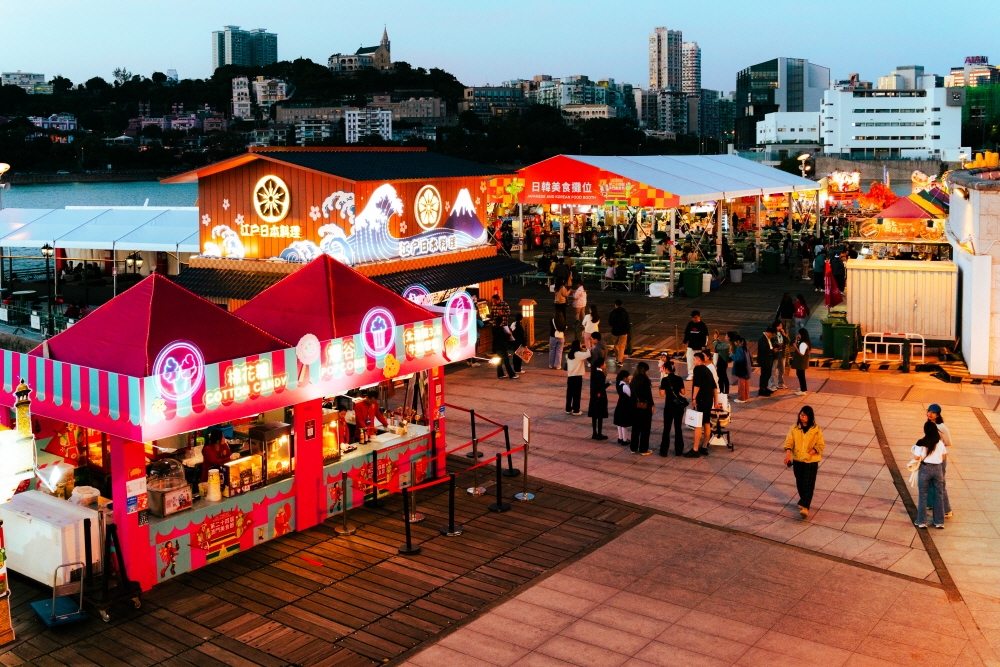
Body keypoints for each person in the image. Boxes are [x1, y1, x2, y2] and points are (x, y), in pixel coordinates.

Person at [783, 406, 826, 518]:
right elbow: (789, 442)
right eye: (801, 415)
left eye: (804, 415)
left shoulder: (816, 430)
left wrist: (809, 453)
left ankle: (805, 506)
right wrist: (788, 455)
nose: (802, 417)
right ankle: (803, 501)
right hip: (798, 460)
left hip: (811, 461)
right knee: (800, 483)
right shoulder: (795, 428)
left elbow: (820, 445)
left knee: (808, 484)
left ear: (809, 417)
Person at [912, 420, 947, 529]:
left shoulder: (921, 442)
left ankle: (922, 521)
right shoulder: (940, 443)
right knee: (939, 495)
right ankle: (939, 522)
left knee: (923, 495)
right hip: (938, 470)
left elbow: (916, 458)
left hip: (925, 469)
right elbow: (943, 457)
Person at [687, 353, 719, 457]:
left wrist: (694, 398)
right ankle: (704, 446)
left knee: (698, 424)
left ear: (699, 360)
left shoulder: (698, 369)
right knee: (706, 422)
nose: (693, 361)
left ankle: (695, 449)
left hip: (701, 399)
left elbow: (697, 385)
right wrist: (716, 401)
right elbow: (714, 387)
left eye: (694, 359)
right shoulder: (708, 370)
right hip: (708, 400)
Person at [926, 404, 953, 519]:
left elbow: (948, 442)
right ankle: (931, 503)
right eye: (929, 411)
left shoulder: (941, 427)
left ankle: (947, 510)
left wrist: (938, 446)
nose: (930, 414)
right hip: (931, 456)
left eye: (933, 412)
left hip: (940, 458)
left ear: (938, 415)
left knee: (940, 484)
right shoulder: (929, 424)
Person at [659, 358, 686, 456]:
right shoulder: (679, 379)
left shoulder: (665, 380)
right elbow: (683, 392)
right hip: (678, 406)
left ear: (666, 369)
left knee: (667, 428)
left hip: (669, 406)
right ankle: (679, 450)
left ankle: (664, 450)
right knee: (678, 427)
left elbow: (662, 394)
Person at [629, 362, 655, 456]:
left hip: (635, 407)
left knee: (635, 428)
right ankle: (643, 449)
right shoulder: (645, 380)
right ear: (645, 370)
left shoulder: (633, 380)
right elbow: (648, 395)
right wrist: (652, 405)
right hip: (645, 407)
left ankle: (633, 448)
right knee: (645, 429)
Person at [490, 294, 517, 379]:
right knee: (505, 359)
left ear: (498, 299)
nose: (494, 302)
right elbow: (492, 315)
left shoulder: (504, 304)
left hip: (502, 325)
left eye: (495, 301)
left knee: (499, 357)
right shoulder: (493, 306)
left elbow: (508, 312)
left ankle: (500, 373)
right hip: (498, 329)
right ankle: (511, 374)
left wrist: (502, 313)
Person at [565, 340, 590, 415]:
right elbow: (588, 354)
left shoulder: (569, 354)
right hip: (577, 376)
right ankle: (576, 410)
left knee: (569, 393)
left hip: (570, 376)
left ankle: (568, 409)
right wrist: (587, 347)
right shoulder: (578, 354)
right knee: (576, 393)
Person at [682, 310, 709, 381]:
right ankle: (691, 373)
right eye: (693, 318)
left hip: (700, 347)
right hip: (691, 346)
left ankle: (700, 373)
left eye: (696, 317)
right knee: (690, 360)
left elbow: (706, 336)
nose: (694, 319)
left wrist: (704, 345)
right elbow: (687, 334)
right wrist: (684, 342)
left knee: (700, 361)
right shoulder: (690, 324)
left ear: (699, 317)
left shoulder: (702, 325)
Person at [588, 364, 610, 440]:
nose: (605, 364)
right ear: (601, 365)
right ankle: (599, 433)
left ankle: (594, 433)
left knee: (594, 416)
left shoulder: (594, 372)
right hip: (600, 397)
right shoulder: (600, 374)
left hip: (594, 397)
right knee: (600, 416)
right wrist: (608, 384)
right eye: (604, 363)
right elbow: (601, 387)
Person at [613, 369, 633, 446]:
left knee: (619, 423)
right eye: (628, 377)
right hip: (625, 406)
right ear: (624, 378)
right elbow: (631, 394)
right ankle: (625, 439)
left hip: (620, 404)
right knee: (624, 423)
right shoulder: (625, 386)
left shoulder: (618, 384)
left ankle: (620, 438)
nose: (629, 378)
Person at [731, 334, 752, 403]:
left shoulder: (739, 348)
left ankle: (741, 398)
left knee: (741, 384)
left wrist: (732, 355)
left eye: (734, 342)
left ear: (737, 341)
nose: (734, 343)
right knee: (746, 384)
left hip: (742, 369)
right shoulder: (745, 347)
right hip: (747, 368)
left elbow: (739, 358)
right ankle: (746, 396)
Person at [790, 328, 812, 395]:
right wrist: (796, 340)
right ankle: (802, 388)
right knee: (800, 374)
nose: (798, 335)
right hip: (800, 362)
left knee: (801, 375)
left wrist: (795, 347)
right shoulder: (803, 342)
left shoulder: (803, 344)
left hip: (801, 362)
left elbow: (801, 353)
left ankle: (803, 390)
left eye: (799, 334)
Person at [608, 300, 630, 365]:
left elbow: (610, 323)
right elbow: (627, 322)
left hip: (615, 332)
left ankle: (617, 358)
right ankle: (620, 360)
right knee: (622, 346)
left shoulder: (613, 312)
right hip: (623, 332)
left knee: (616, 345)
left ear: (615, 305)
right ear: (621, 304)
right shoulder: (625, 312)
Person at [769, 322, 788, 391]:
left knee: (782, 369)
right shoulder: (773, 334)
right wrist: (776, 344)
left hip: (782, 353)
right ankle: (772, 384)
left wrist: (784, 334)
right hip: (775, 353)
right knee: (773, 370)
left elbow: (788, 341)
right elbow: (770, 342)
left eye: (781, 326)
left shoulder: (783, 333)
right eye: (779, 326)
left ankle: (781, 383)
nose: (780, 327)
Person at [757, 327, 775, 397]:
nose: (772, 336)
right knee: (764, 374)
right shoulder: (762, 339)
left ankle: (765, 387)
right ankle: (762, 389)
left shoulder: (767, 338)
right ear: (769, 333)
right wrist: (772, 351)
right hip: (764, 359)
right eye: (772, 334)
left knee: (768, 374)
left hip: (768, 359)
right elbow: (763, 349)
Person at [712, 330, 731, 396]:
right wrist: (716, 338)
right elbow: (719, 345)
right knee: (723, 377)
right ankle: (725, 391)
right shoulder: (727, 343)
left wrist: (715, 340)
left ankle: (723, 392)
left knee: (722, 377)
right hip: (722, 361)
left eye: (726, 335)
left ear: (729, 337)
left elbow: (718, 346)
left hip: (722, 361)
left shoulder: (727, 344)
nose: (725, 336)